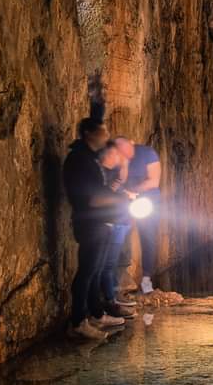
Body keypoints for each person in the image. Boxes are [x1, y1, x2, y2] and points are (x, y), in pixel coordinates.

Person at [62, 119, 126, 342]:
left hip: (99, 222)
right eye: (103, 131)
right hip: (89, 223)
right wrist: (120, 200)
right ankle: (78, 322)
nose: (107, 135)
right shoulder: (79, 160)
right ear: (89, 133)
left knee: (95, 270)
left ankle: (96, 314)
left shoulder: (89, 159)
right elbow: (92, 198)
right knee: (87, 272)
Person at [97, 138, 138, 319]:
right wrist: (124, 195)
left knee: (112, 262)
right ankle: (110, 301)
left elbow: (117, 188)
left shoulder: (121, 165)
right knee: (107, 264)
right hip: (110, 220)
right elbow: (108, 191)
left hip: (120, 219)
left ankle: (114, 296)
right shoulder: (106, 168)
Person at [124, 137, 163, 295]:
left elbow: (154, 181)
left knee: (148, 238)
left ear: (132, 143)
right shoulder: (120, 157)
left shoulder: (147, 153)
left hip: (147, 201)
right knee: (121, 236)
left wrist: (134, 191)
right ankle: (121, 278)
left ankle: (146, 279)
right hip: (125, 200)